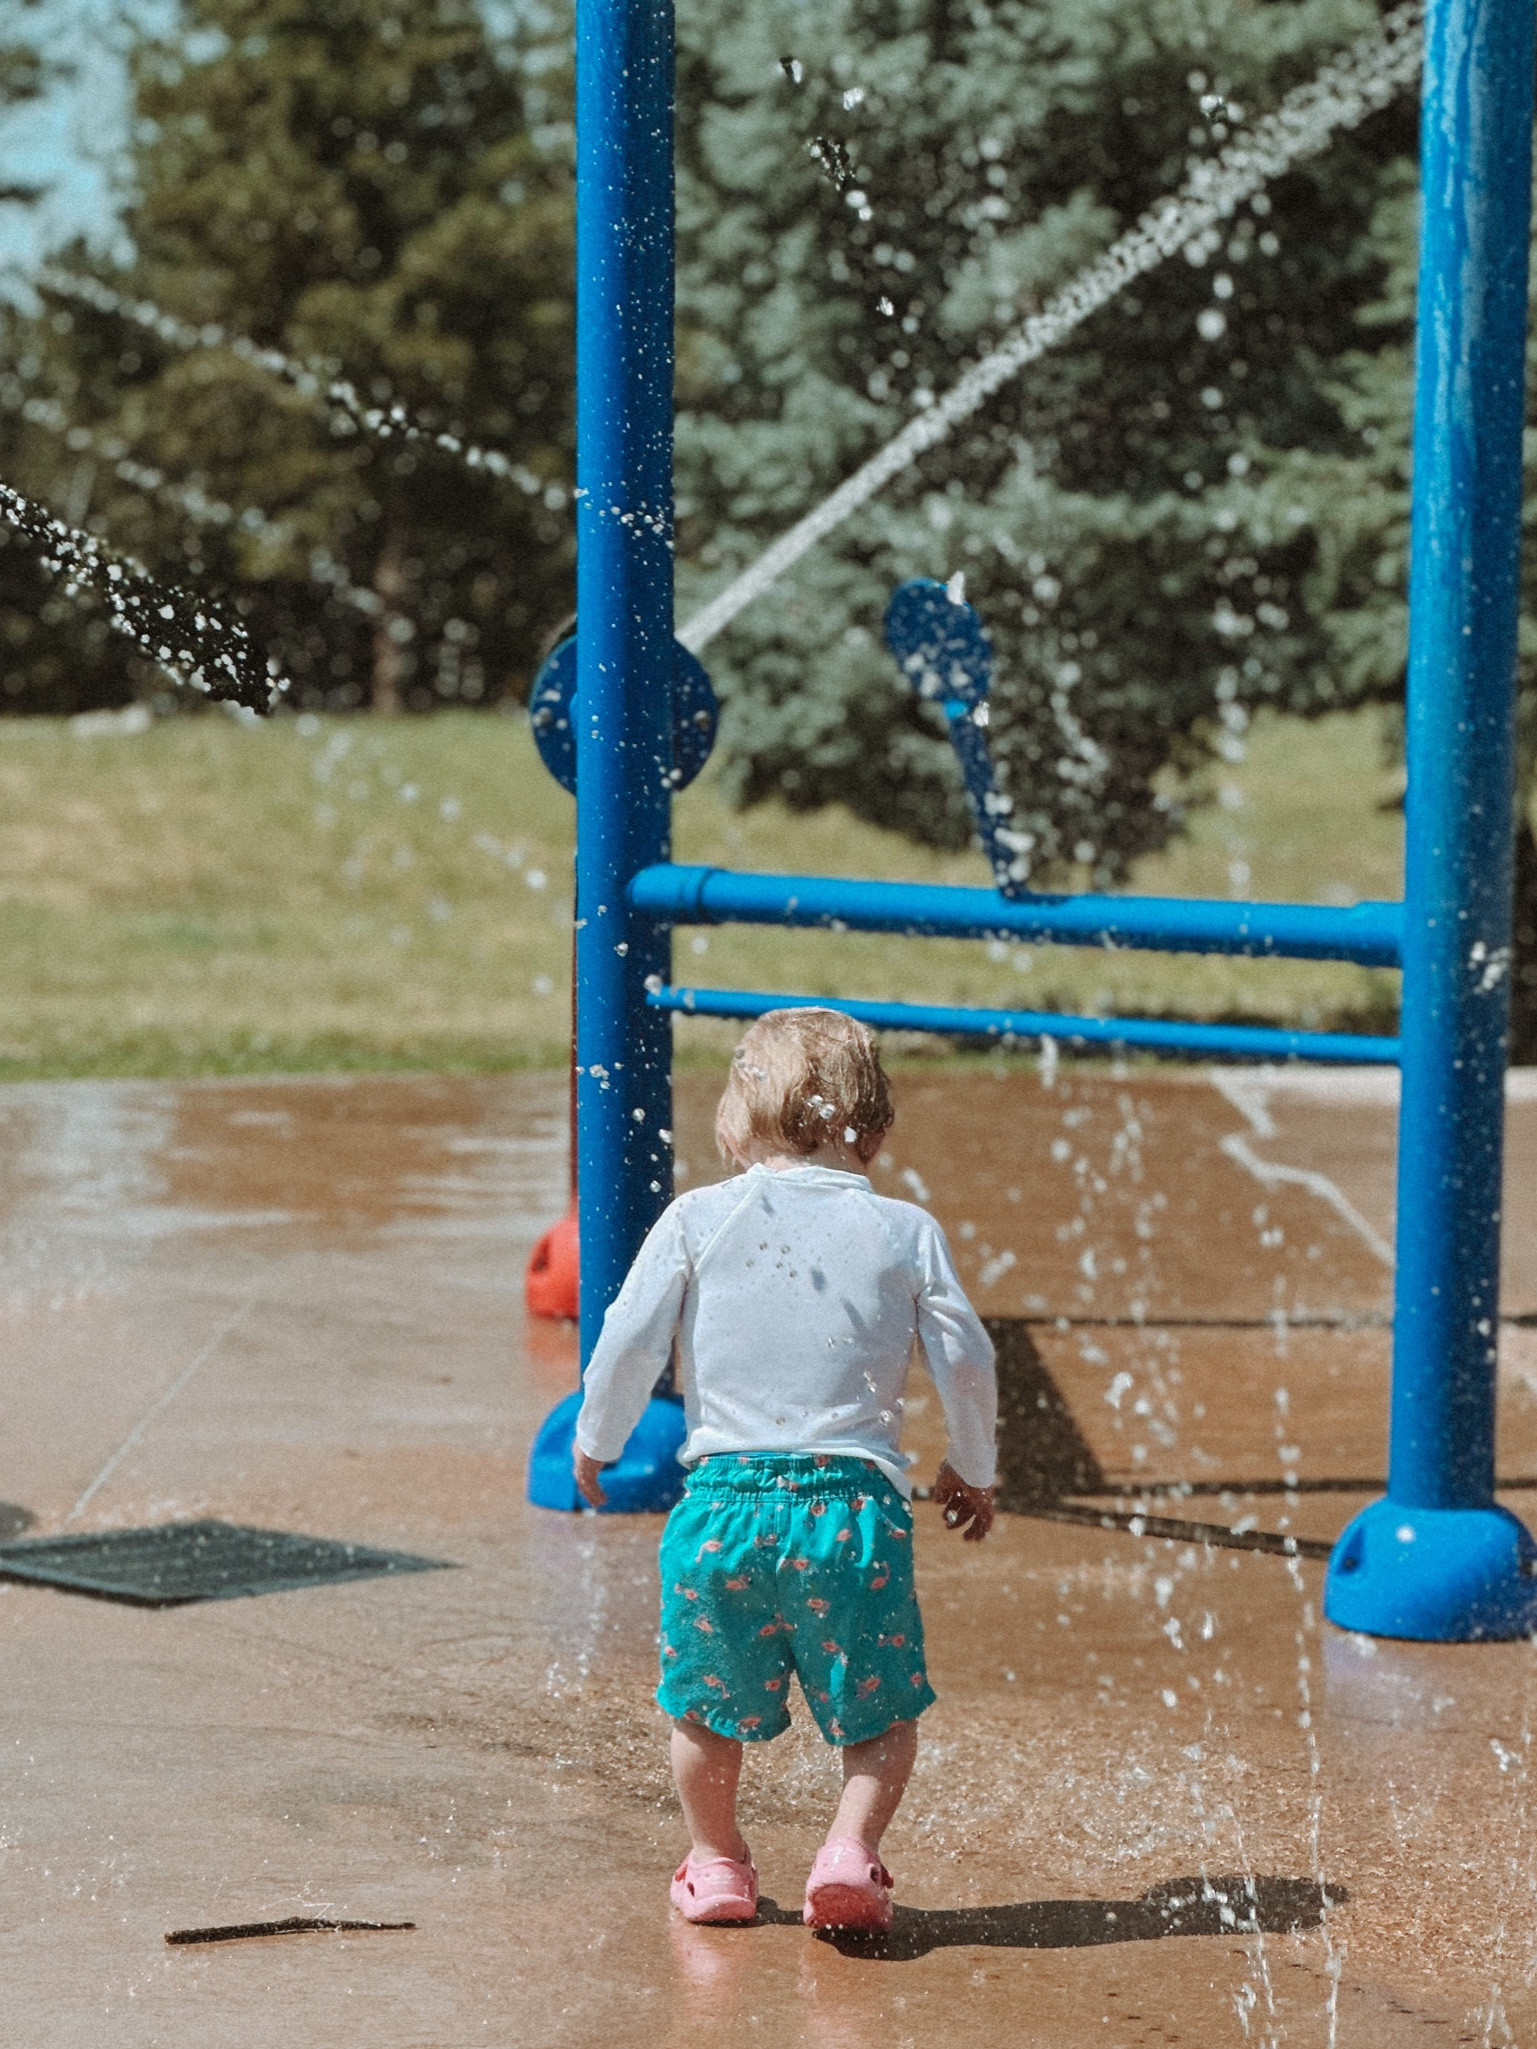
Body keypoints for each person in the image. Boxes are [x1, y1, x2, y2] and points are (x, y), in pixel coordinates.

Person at [572, 1007, 997, 1932]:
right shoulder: (904, 1228)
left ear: (731, 1127)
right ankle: (847, 1851)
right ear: (876, 1132)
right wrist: (972, 1463)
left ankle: (717, 1863)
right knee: (879, 1715)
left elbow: (628, 1337)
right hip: (851, 1513)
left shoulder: (696, 1217)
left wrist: (595, 1437)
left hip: (721, 1509)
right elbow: (966, 1357)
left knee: (703, 1714)